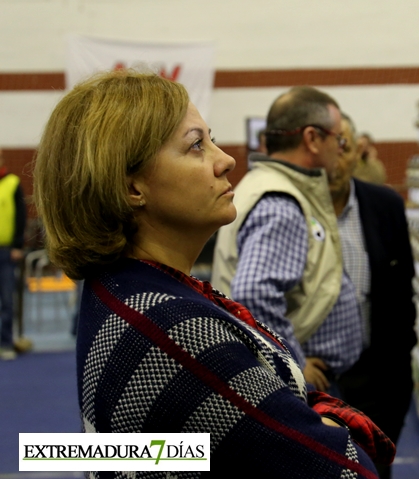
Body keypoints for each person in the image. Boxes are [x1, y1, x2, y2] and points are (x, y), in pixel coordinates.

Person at [34, 70, 392, 476]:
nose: (226, 160)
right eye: (196, 146)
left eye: (212, 138)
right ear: (132, 188)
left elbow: (157, 454)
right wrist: (316, 421)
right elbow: (349, 469)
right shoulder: (175, 331)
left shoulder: (124, 288)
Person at [213, 86, 362, 392]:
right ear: (312, 139)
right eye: (339, 139)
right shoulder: (282, 203)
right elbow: (254, 293)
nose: (342, 149)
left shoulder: (270, 186)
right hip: (295, 382)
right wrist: (294, 360)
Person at [330, 115, 417, 479]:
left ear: (357, 153)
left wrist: (399, 370)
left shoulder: (385, 206)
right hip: (318, 377)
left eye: (344, 146)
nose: (334, 159)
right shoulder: (286, 209)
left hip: (378, 379)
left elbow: (403, 293)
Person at [0, 148, 26, 360]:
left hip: (7, 251)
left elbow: (20, 216)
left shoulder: (13, 183)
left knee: (7, 300)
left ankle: (6, 342)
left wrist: (18, 245)